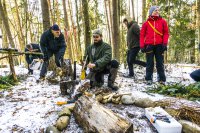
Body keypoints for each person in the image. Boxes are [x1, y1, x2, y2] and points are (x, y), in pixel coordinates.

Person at [140, 6, 169, 85]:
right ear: (151, 12)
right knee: (149, 63)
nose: (157, 11)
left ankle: (161, 79)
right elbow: (142, 35)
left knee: (160, 63)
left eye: (158, 10)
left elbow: (166, 33)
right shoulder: (146, 23)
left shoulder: (163, 22)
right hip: (149, 45)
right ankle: (149, 79)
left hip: (160, 45)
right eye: (155, 10)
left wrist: (165, 43)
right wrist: (142, 46)